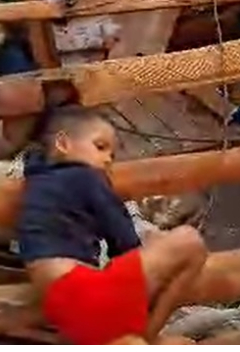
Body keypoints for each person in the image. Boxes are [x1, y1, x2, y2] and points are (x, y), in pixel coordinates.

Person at [16, 106, 206, 344]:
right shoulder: (85, 176)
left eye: (112, 155)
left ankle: (139, 337)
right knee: (190, 241)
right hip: (85, 293)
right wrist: (152, 253)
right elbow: (124, 240)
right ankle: (150, 331)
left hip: (64, 312)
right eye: (100, 147)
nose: (107, 160)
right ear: (63, 143)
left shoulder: (37, 179)